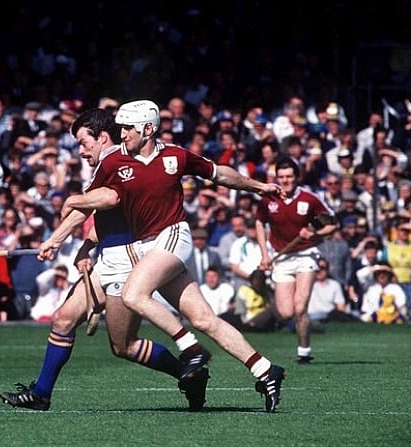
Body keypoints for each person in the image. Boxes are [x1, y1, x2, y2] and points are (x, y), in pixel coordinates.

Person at [46, 100, 286, 412]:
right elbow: (102, 199)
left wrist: (258, 187)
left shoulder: (176, 155)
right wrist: (65, 231)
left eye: (128, 128)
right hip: (148, 247)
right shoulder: (113, 162)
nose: (122, 134)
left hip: (173, 235)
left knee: (133, 293)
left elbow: (220, 174)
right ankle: (266, 371)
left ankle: (190, 348)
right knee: (204, 319)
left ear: (147, 129)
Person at [1, 108, 210, 412]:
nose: (81, 151)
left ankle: (188, 373)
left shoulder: (117, 160)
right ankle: (41, 393)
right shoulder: (108, 165)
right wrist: (85, 246)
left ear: (102, 137)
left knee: (124, 346)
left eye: (84, 143)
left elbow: (102, 203)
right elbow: (101, 214)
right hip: (109, 257)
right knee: (64, 320)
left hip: (128, 259)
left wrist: (56, 238)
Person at [255, 156, 338, 364]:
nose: (285, 180)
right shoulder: (268, 199)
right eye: (281, 176)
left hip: (305, 255)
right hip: (281, 258)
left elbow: (332, 224)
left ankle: (304, 350)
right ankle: (298, 334)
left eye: (290, 176)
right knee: (285, 312)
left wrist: (315, 235)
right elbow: (259, 223)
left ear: (297, 177)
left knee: (300, 307)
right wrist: (265, 255)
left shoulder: (309, 199)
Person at [307, 258, 351, 323]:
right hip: (312, 315)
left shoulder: (334, 285)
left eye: (322, 268)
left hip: (329, 316)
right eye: (317, 268)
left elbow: (341, 306)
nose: (319, 271)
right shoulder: (308, 284)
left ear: (327, 269)